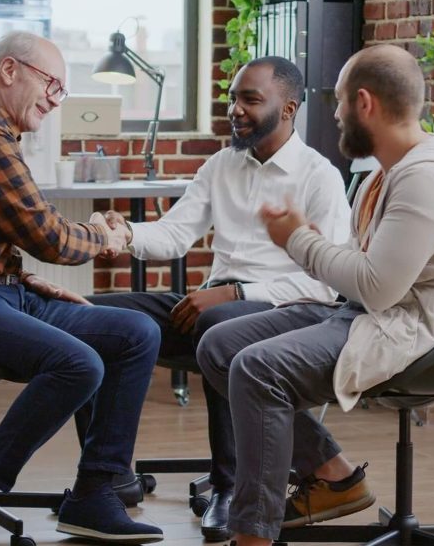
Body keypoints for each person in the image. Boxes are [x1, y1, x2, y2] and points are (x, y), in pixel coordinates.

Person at [195, 44, 434, 545]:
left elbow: (376, 289)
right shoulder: (387, 172)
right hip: (367, 311)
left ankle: (252, 536)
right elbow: (364, 275)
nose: (334, 114)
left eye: (338, 102)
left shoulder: (426, 180)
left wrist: (297, 238)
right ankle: (333, 472)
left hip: (417, 331)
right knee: (219, 345)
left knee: (256, 368)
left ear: (364, 103)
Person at [0, 30, 163, 545]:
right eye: (51, 84)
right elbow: (48, 235)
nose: (54, 100)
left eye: (62, 90)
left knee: (136, 332)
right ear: (9, 71)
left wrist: (26, 280)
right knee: (80, 363)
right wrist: (105, 236)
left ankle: (95, 495)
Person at [88, 56, 351, 540]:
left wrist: (235, 292)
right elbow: (174, 234)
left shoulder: (320, 178)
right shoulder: (222, 165)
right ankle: (105, 480)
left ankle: (230, 485)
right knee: (98, 315)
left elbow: (324, 284)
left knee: (219, 324)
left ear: (289, 108)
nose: (236, 109)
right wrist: (125, 235)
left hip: (288, 311)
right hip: (218, 303)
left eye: (251, 99)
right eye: (234, 98)